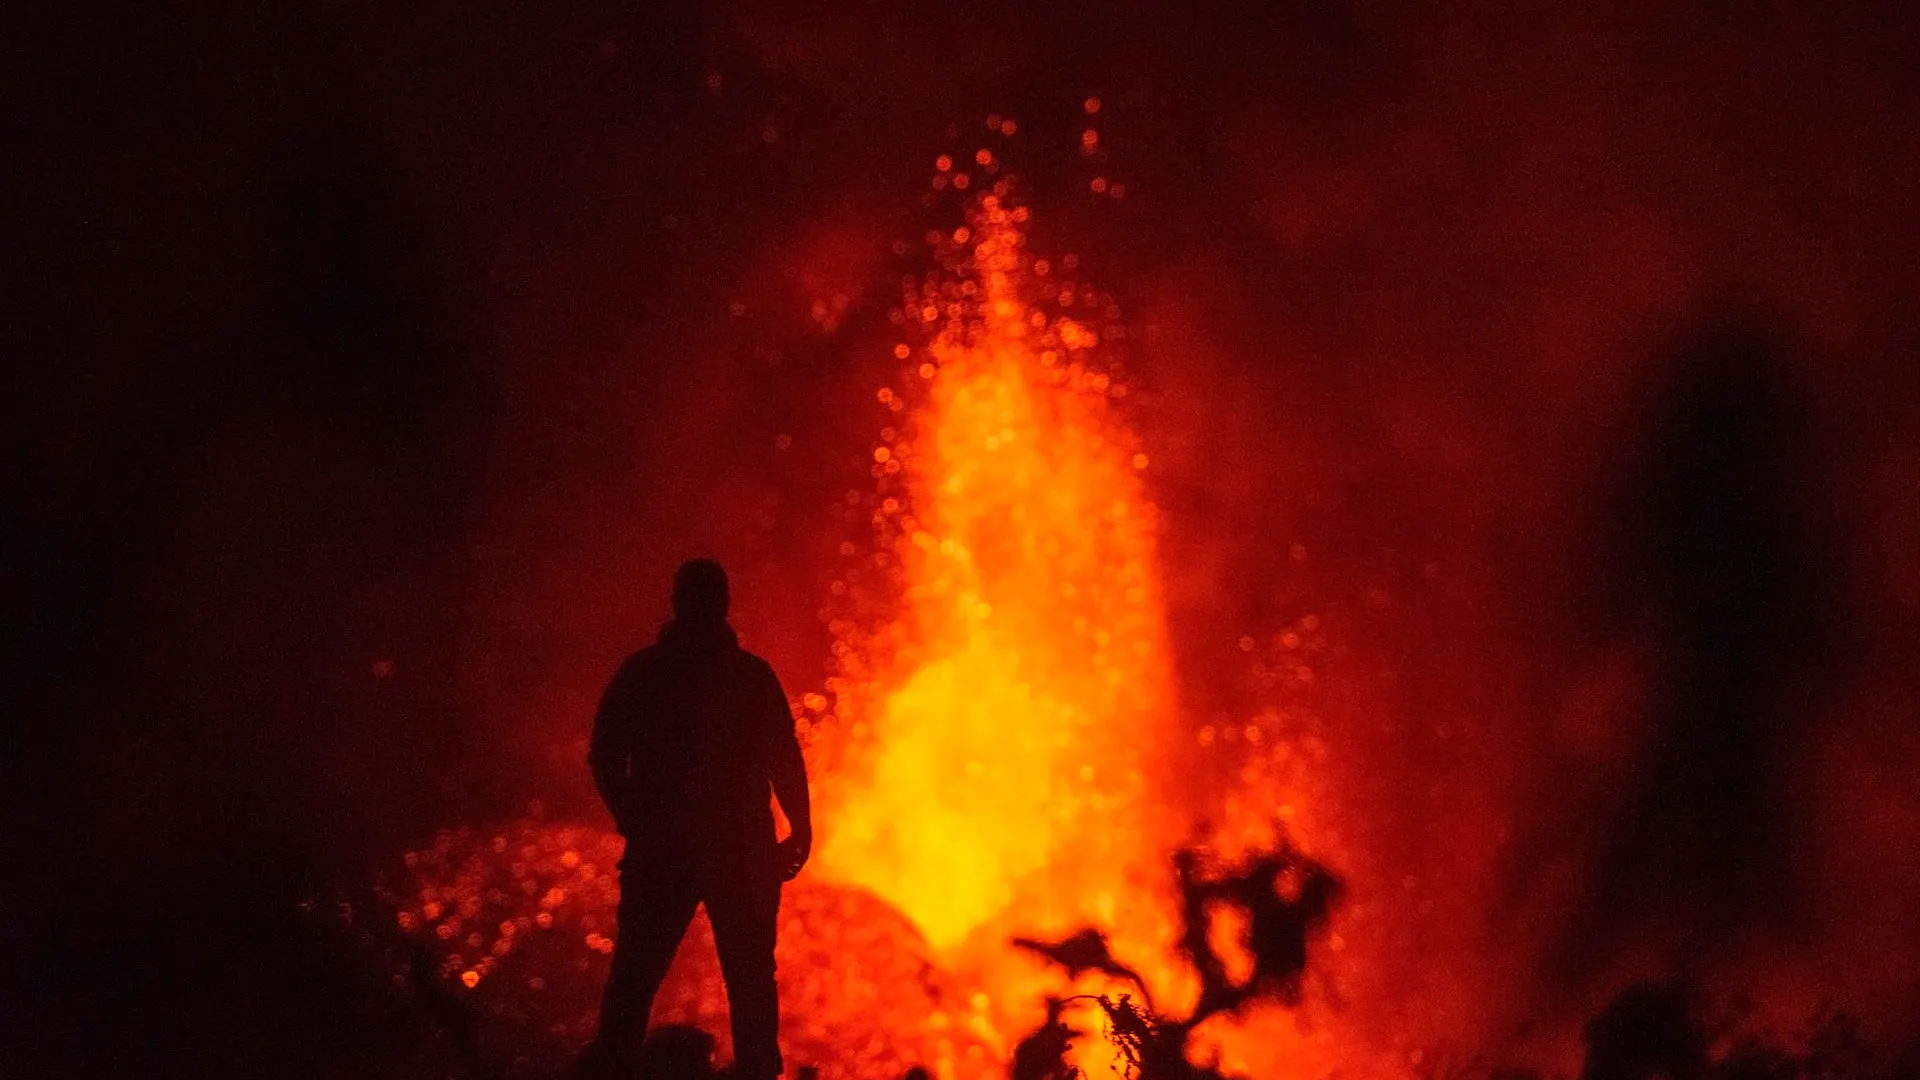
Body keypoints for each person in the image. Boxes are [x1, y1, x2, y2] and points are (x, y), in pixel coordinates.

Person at [587, 559, 811, 1079]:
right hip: (739, 849)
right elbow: (784, 758)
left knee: (636, 975)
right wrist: (800, 827)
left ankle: (613, 1068)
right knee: (750, 977)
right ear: (722, 604)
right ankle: (757, 1072)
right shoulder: (750, 677)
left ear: (675, 602)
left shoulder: (644, 673)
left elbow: (603, 752)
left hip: (667, 847)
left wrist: (631, 817)